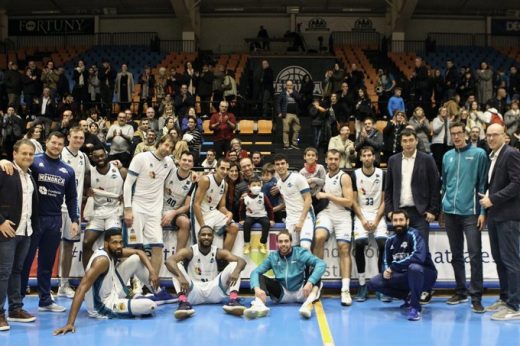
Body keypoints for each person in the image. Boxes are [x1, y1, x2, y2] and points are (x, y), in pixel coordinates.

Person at [1, 132, 78, 313]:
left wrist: (74, 219)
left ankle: (45, 300)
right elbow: (14, 166)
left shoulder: (68, 170)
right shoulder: (33, 161)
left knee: (47, 262)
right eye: (53, 142)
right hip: (33, 219)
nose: (56, 146)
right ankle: (17, 303)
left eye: (60, 143)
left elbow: (72, 197)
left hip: (54, 219)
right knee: (23, 263)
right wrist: (2, 161)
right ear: (47, 142)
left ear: (63, 145)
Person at [53, 230, 159, 335]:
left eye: (120, 242)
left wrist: (152, 272)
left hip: (111, 290)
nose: (119, 246)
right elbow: (81, 288)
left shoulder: (112, 251)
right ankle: (134, 296)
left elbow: (138, 252)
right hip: (103, 306)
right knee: (150, 305)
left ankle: (158, 293)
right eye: (115, 243)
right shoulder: (101, 261)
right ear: (106, 243)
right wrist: (70, 323)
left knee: (136, 259)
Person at [384, 128, 440, 304]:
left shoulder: (427, 159)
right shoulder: (393, 160)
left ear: (416, 141)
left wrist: (433, 210)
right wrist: (390, 211)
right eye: (404, 140)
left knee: (422, 253)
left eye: (410, 140)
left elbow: (435, 185)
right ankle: (406, 289)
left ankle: (426, 289)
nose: (407, 143)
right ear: (401, 142)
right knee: (401, 252)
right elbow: (389, 189)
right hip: (400, 214)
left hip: (420, 212)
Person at [123, 135, 177, 304]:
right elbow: (127, 183)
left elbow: (179, 176)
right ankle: (128, 288)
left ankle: (154, 289)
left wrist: (193, 177)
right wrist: (128, 208)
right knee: (132, 247)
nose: (167, 149)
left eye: (170, 147)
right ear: (159, 143)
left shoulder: (169, 163)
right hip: (137, 208)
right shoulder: (141, 158)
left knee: (157, 247)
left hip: (155, 212)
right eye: (165, 145)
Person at [441, 121, 488, 313]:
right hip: (450, 213)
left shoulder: (479, 154)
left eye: (459, 133)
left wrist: (483, 212)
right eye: (453, 134)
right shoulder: (447, 156)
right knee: (456, 254)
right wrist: (442, 209)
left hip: (471, 213)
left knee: (475, 254)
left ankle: (476, 296)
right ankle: (460, 291)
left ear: (466, 134)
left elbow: (483, 185)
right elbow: (444, 185)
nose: (457, 137)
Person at [479, 124, 520, 320]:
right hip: (495, 215)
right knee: (500, 260)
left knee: (511, 262)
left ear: (504, 136)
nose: (491, 138)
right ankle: (505, 298)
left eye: (495, 135)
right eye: (488, 135)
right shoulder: (494, 156)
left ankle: (515, 306)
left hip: (509, 217)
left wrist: (493, 199)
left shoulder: (510, 153)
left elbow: (517, 184)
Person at [367, 210, 438, 321]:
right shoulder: (390, 240)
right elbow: (386, 262)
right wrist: (387, 270)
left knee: (414, 268)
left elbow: (418, 257)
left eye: (401, 220)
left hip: (426, 275)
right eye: (395, 220)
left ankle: (415, 308)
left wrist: (393, 267)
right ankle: (408, 297)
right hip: (403, 276)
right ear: (392, 222)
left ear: (407, 221)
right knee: (373, 283)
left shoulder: (414, 234)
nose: (398, 223)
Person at [166, 226, 247, 320]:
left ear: (213, 237)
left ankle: (233, 300)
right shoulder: (189, 251)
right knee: (176, 266)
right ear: (198, 236)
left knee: (235, 264)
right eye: (203, 234)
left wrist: (236, 272)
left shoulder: (218, 252)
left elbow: (241, 261)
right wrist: (180, 277)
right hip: (193, 291)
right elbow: (169, 261)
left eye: (209, 235)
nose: (206, 237)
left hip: (214, 290)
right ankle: (183, 302)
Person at [0, 139, 38, 331]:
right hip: (7, 231)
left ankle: (15, 309)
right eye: (24, 153)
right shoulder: (5, 171)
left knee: (17, 271)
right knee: (3, 273)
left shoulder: (30, 175)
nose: (27, 157)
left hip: (25, 231)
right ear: (14, 154)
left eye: (31, 154)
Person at [245, 230, 326, 319]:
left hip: (302, 292)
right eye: (280, 241)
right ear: (277, 243)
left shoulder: (300, 253)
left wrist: (310, 282)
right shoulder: (273, 257)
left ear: (291, 242)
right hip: (282, 293)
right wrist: (256, 288)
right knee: (259, 276)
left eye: (286, 241)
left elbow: (321, 264)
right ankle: (259, 305)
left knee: (316, 271)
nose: (283, 244)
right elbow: (255, 272)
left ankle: (308, 305)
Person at [313, 149, 354, 306]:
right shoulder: (322, 177)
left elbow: (349, 202)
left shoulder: (344, 177)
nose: (333, 161)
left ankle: (345, 289)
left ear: (340, 160)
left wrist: (328, 196)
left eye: (336, 159)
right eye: (330, 159)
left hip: (342, 215)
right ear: (326, 160)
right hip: (326, 213)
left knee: (344, 248)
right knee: (319, 237)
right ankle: (317, 283)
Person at [352, 146, 388, 303]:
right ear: (360, 158)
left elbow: (385, 200)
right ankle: (362, 285)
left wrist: (377, 219)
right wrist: (363, 219)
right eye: (364, 155)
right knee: (359, 243)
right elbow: (353, 201)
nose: (367, 158)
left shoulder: (383, 174)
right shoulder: (355, 174)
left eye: (369, 155)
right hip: (361, 214)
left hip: (377, 213)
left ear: (374, 157)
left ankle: (381, 285)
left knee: (383, 243)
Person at [57, 127, 90, 299]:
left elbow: (92, 174)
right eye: (75, 137)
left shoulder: (84, 157)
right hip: (55, 206)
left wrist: (114, 163)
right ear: (69, 137)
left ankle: (64, 284)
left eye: (81, 138)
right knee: (48, 245)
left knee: (69, 246)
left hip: (72, 208)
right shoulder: (60, 153)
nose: (78, 140)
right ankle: (42, 284)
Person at [82, 146, 126, 268]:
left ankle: (116, 277)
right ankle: (89, 275)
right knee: (86, 243)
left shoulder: (120, 171)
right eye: (97, 157)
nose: (100, 159)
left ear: (106, 155)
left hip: (114, 212)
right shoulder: (89, 174)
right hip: (97, 212)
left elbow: (131, 190)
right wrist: (88, 196)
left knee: (116, 245)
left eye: (102, 156)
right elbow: (83, 197)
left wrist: (126, 198)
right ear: (92, 158)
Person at [190, 158, 239, 252]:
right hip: (199, 213)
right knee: (202, 244)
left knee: (233, 227)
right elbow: (196, 204)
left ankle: (223, 258)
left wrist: (229, 213)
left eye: (227, 169)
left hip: (212, 212)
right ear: (216, 168)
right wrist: (203, 226)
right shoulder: (206, 180)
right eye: (222, 168)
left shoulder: (225, 185)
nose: (225, 171)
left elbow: (222, 207)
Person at [273, 154, 314, 250]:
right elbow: (286, 202)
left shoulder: (298, 178)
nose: (280, 166)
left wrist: (301, 221)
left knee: (305, 246)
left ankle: (313, 265)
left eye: (282, 163)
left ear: (287, 165)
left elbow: (308, 199)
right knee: (292, 249)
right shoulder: (279, 183)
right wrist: (271, 210)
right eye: (277, 164)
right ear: (275, 167)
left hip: (305, 216)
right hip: (290, 219)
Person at [162, 151, 195, 252]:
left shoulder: (193, 181)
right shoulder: (169, 171)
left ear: (193, 164)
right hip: (159, 207)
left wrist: (173, 213)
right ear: (179, 161)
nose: (186, 162)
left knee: (185, 222)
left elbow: (186, 206)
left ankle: (178, 256)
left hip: (175, 211)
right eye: (184, 160)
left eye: (189, 161)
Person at [239, 176, 275, 255]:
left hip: (262, 216)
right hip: (250, 216)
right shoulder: (245, 197)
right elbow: (241, 209)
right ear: (249, 187)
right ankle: (247, 244)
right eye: (254, 185)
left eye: (258, 185)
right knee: (246, 224)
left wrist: (271, 219)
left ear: (261, 186)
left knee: (266, 223)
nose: (256, 187)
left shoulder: (263, 196)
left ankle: (262, 243)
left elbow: (269, 208)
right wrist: (242, 219)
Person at [299, 147, 326, 213]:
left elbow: (324, 182)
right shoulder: (302, 172)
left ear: (316, 157)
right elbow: (301, 187)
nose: (310, 157)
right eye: (308, 155)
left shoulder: (320, 168)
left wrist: (312, 180)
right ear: (304, 157)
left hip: (319, 196)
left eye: (313, 155)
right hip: (308, 197)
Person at [277, 80, 301, 150]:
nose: (289, 86)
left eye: (290, 85)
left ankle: (294, 144)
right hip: (286, 114)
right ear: (286, 86)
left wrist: (292, 93)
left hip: (295, 114)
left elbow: (299, 99)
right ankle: (286, 145)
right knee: (286, 130)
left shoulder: (295, 92)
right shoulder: (283, 93)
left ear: (292, 86)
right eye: (288, 85)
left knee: (297, 129)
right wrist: (279, 112)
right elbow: (278, 103)